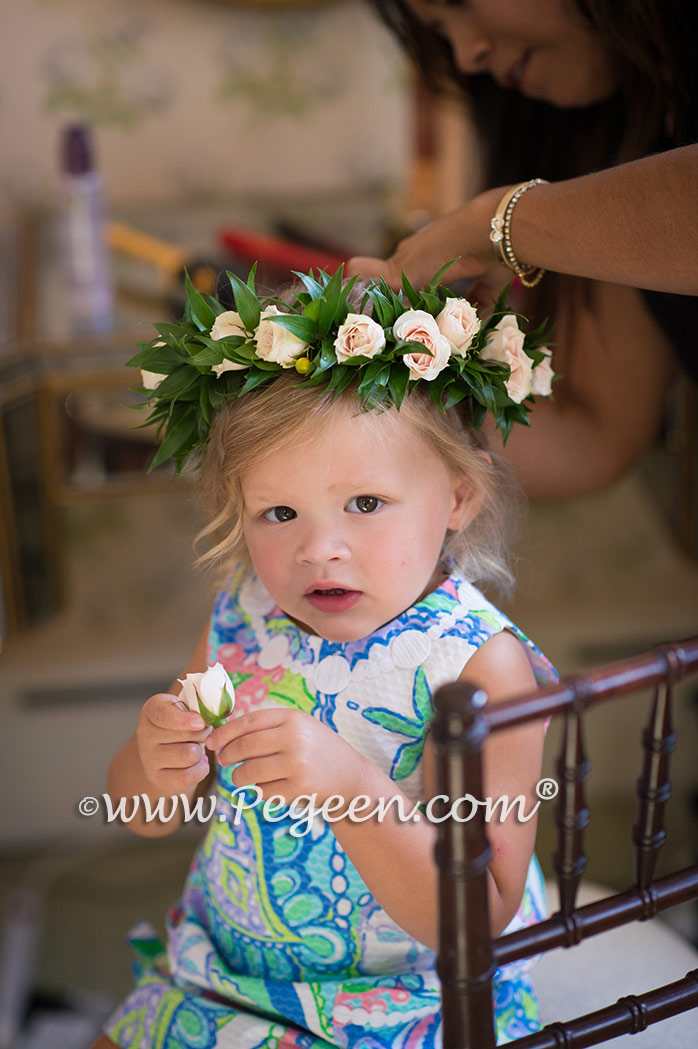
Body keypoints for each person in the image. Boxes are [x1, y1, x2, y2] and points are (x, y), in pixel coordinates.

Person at [92, 267, 557, 1048]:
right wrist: (153, 763)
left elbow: (476, 914)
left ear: (458, 496)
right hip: (227, 972)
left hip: (403, 1003)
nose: (318, 549)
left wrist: (349, 786)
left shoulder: (476, 669)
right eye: (278, 512)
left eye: (365, 504)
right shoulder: (243, 616)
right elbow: (144, 816)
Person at [349, 0, 698, 500]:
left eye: (460, 3)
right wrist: (390, 387)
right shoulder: (622, 129)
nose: (467, 55)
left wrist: (493, 222)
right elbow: (593, 438)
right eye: (443, 32)